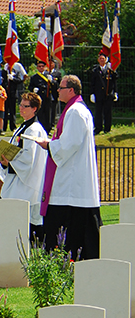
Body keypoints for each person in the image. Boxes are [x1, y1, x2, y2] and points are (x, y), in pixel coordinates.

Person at [34, 74, 101, 260]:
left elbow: (68, 145)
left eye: (61, 88)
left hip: (71, 186)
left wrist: (48, 145)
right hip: (73, 184)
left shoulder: (75, 112)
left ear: (71, 90)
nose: (57, 90)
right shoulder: (76, 110)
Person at [0, 92, 48, 243]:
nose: (21, 108)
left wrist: (9, 162)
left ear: (34, 109)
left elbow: (28, 158)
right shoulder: (23, 127)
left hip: (28, 183)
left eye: (25, 106)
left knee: (31, 221)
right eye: (20, 105)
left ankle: (35, 249)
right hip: (18, 180)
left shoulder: (34, 129)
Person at [90, 52, 117, 135]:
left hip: (108, 94)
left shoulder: (110, 70)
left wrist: (115, 92)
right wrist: (92, 93)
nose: (102, 60)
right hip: (98, 94)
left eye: (103, 59)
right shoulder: (95, 70)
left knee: (108, 112)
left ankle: (107, 128)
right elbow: (92, 83)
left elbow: (115, 80)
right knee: (98, 112)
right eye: (100, 59)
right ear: (98, 60)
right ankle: (98, 128)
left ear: (106, 60)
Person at [29, 60, 57, 134]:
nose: (41, 68)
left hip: (47, 98)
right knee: (40, 114)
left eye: (42, 66)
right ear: (37, 67)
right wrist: (33, 89)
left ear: (45, 67)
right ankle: (41, 129)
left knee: (48, 114)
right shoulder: (34, 77)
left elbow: (55, 86)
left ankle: (48, 129)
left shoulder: (48, 75)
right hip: (39, 98)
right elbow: (30, 87)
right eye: (39, 66)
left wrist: (52, 81)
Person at [3, 61, 27, 132]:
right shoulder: (5, 69)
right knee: (5, 111)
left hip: (13, 93)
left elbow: (20, 80)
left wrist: (13, 79)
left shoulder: (16, 71)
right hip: (5, 94)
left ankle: (12, 126)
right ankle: (4, 127)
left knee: (12, 111)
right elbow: (1, 81)